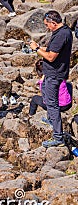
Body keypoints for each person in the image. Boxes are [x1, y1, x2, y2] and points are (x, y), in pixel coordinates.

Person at [29, 10, 73, 148]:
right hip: (56, 73)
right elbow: (52, 50)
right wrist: (42, 48)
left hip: (54, 74)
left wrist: (36, 49)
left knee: (52, 104)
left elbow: (50, 57)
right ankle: (51, 121)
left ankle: (58, 137)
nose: (47, 28)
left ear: (53, 23)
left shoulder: (61, 35)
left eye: (47, 25)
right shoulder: (65, 31)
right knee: (48, 98)